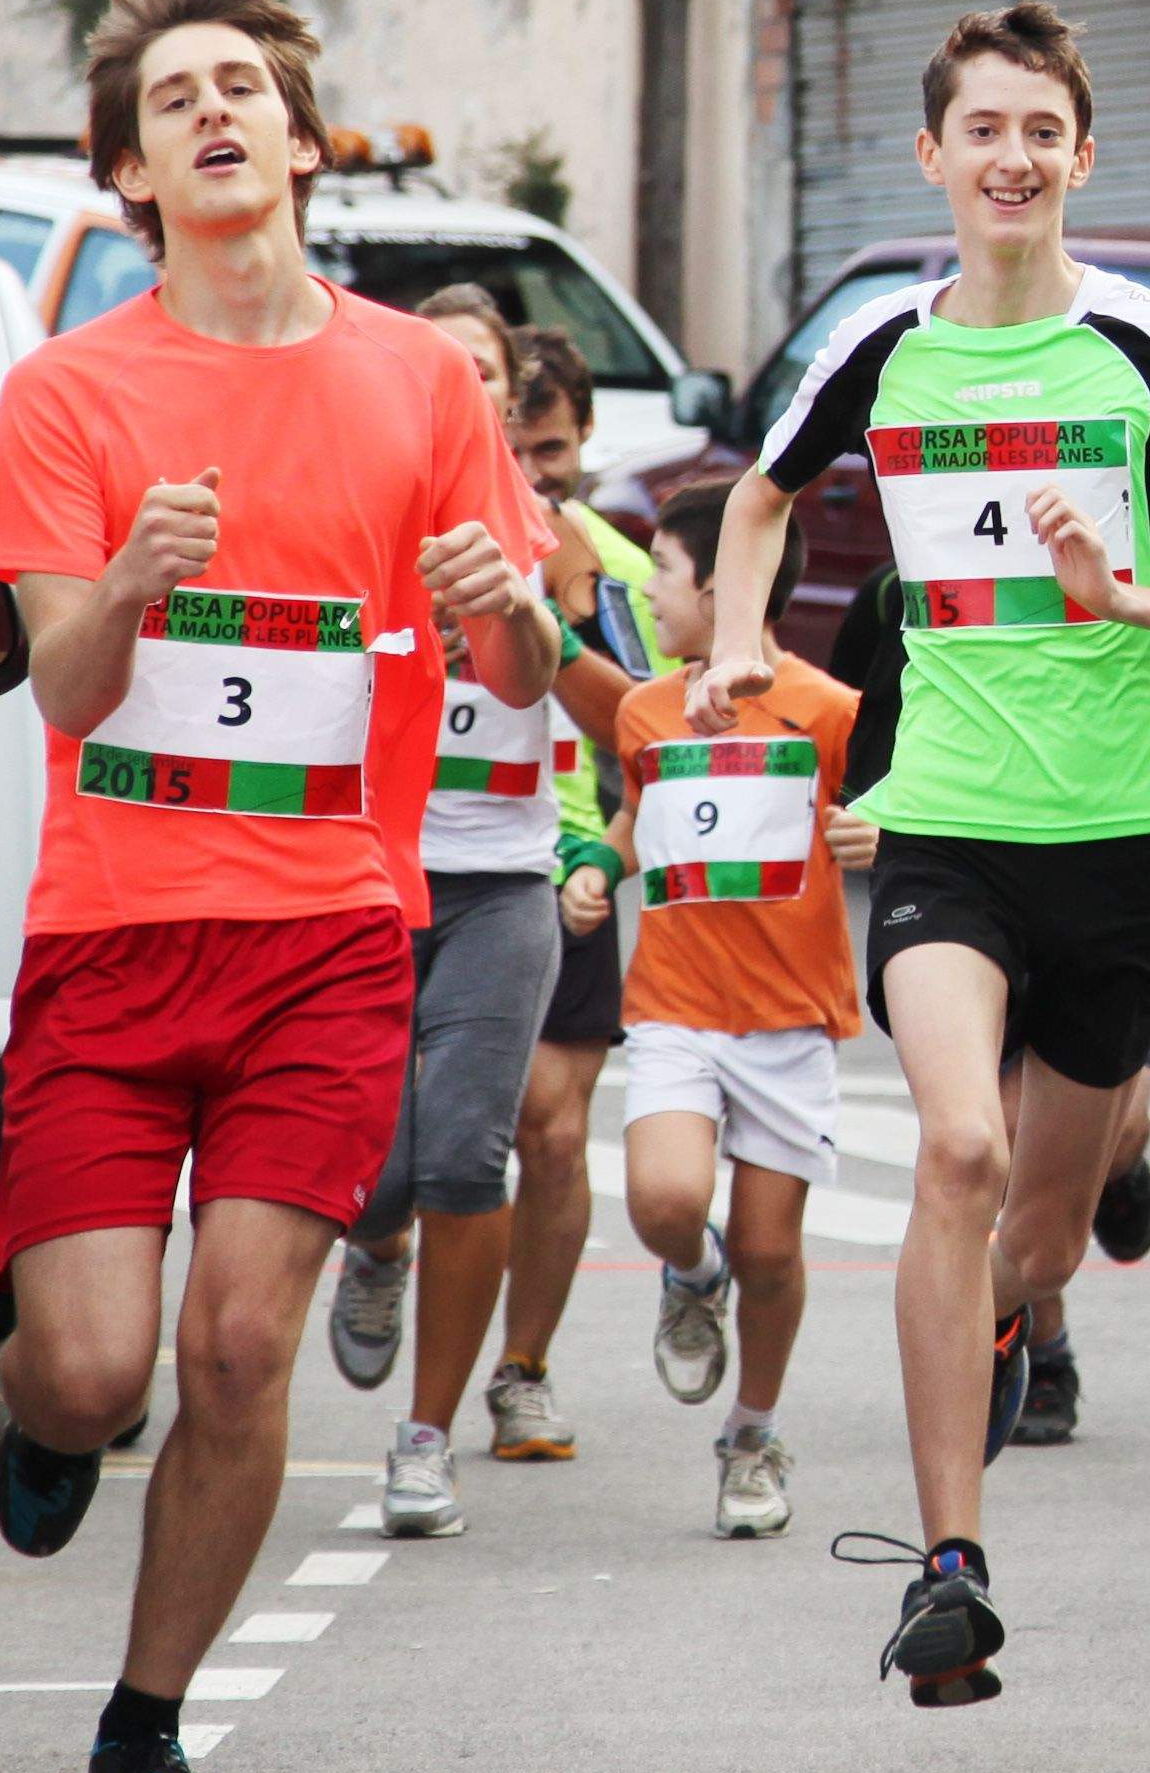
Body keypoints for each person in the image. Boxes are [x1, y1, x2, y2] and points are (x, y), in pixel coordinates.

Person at [0, 0, 556, 1773]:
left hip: (328, 933)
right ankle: (50, 1418)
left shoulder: (418, 378)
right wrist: (130, 584)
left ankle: (144, 1724)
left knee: (235, 1343)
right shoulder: (68, 392)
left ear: (303, 143)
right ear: (130, 175)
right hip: (113, 934)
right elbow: (67, 690)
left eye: (243, 88)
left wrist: (511, 607)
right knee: (94, 1366)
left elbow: (532, 668)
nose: (213, 113)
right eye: (173, 101)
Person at [689, 2, 1150, 1704]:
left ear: (1080, 156)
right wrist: (737, 638)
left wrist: (1127, 596)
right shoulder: (883, 347)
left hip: (1126, 832)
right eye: (985, 129)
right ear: (934, 155)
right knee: (955, 1151)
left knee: (1032, 1238)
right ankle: (948, 1567)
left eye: (1043, 129)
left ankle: (1035, 1291)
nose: (1014, 157)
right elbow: (761, 492)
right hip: (946, 822)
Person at [322, 295, 607, 1538]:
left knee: (463, 1156)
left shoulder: (552, 533)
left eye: (481, 369)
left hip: (502, 882)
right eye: (435, 363)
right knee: (374, 1176)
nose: (460, 384)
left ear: (506, 388)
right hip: (365, 877)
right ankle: (375, 1248)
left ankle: (426, 1440)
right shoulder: (345, 503)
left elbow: (608, 698)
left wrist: (521, 610)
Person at [606, 485, 868, 1540]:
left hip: (790, 1019)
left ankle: (752, 1436)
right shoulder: (644, 710)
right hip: (674, 1007)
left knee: (771, 1252)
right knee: (665, 1200)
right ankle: (690, 1273)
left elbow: (888, 814)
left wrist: (877, 837)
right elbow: (639, 817)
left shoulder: (830, 710)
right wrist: (597, 866)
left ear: (725, 585)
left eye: (662, 572)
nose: (648, 594)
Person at [494, 323, 656, 1456]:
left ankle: (524, 1369)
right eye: (511, 450)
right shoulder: (413, 535)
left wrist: (556, 617)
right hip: (427, 867)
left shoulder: (618, 567)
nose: (531, 474)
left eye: (549, 452)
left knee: (552, 1133)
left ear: (587, 436)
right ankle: (383, 1244)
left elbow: (650, 732)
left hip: (567, 866)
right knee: (409, 1133)